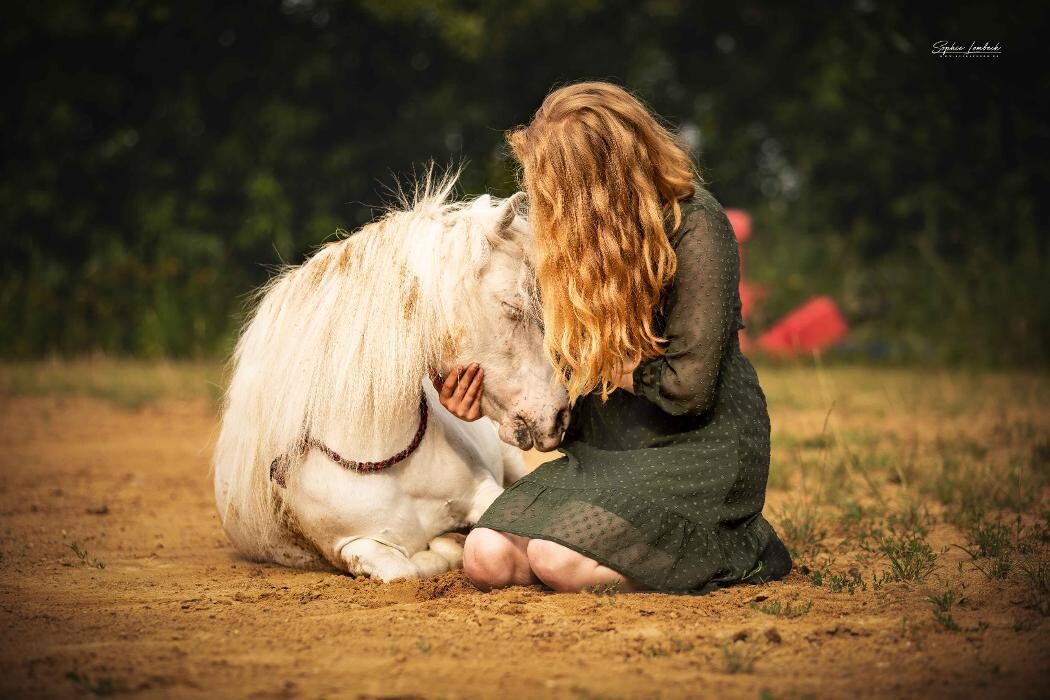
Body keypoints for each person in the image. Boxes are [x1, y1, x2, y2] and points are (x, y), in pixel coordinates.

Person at [432, 81, 791, 593]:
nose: (541, 197)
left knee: (559, 561)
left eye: (552, 183)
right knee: (487, 558)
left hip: (692, 449)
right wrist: (483, 397)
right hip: (606, 448)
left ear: (595, 183)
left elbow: (688, 389)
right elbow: (547, 364)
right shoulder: (565, 242)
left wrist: (595, 360)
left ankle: (743, 549)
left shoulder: (696, 227)